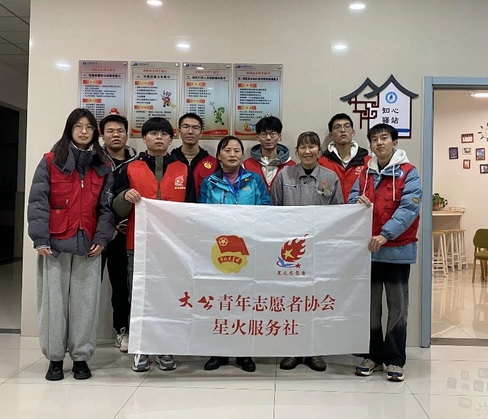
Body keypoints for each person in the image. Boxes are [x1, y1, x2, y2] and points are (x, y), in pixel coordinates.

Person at [27, 108, 115, 381]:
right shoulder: (51, 160)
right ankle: (55, 358)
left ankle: (80, 358)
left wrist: (101, 238)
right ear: (70, 129)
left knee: (85, 305)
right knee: (53, 305)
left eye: (89, 127)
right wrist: (40, 238)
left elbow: (107, 208)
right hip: (55, 244)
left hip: (89, 245)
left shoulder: (103, 164)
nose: (84, 131)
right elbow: (38, 201)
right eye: (79, 126)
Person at [111, 117, 190, 373]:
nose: (159, 137)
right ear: (144, 138)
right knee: (139, 297)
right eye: (153, 133)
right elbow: (115, 207)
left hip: (173, 247)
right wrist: (125, 196)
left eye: (164, 134)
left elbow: (193, 209)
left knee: (169, 296)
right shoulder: (129, 168)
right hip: (138, 245)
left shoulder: (182, 168)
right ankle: (140, 348)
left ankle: (165, 347)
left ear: (171, 139)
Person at [348, 123, 421, 383]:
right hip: (368, 252)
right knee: (370, 308)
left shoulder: (408, 173)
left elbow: (409, 209)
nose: (379, 143)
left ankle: (394, 359)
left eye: (384, 138)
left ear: (394, 143)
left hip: (397, 250)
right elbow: (351, 200)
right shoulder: (364, 173)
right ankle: (372, 356)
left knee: (397, 308)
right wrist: (356, 202)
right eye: (375, 139)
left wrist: (386, 234)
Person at [270, 131, 342, 372]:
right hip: (288, 253)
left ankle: (315, 351)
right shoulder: (284, 175)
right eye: (303, 147)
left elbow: (339, 214)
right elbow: (273, 211)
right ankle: (292, 350)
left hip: (319, 250)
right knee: (291, 300)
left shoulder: (330, 177)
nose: (308, 151)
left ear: (319, 151)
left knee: (315, 301)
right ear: (297, 151)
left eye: (312, 147)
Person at [198, 135, 270, 372]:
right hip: (218, 251)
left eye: (237, 150)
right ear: (218, 155)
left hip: (249, 249)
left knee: (246, 300)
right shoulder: (209, 183)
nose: (232, 154)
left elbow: (266, 210)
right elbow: (202, 216)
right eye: (227, 150)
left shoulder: (254, 180)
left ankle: (245, 353)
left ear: (242, 155)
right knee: (220, 301)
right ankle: (218, 352)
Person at [99, 114, 137, 353]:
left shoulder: (137, 162)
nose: (115, 135)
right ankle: (79, 335)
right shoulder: (93, 160)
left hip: (124, 234)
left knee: (121, 285)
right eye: (110, 131)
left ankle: (122, 330)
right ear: (102, 135)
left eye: (120, 130)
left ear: (127, 133)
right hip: (95, 232)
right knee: (88, 286)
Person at [318, 113, 371, 202]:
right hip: (331, 209)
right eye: (337, 127)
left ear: (352, 133)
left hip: (359, 209)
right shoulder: (321, 162)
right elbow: (320, 193)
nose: (343, 130)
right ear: (331, 135)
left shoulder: (367, 161)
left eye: (347, 126)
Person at [170, 112, 217, 201]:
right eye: (186, 127)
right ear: (179, 131)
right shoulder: (170, 161)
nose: (190, 131)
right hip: (175, 208)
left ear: (201, 133)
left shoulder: (214, 163)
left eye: (195, 127)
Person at [242, 116, 295, 191]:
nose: (268, 138)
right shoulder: (246, 165)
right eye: (264, 134)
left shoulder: (291, 166)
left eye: (273, 134)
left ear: (279, 137)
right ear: (257, 137)